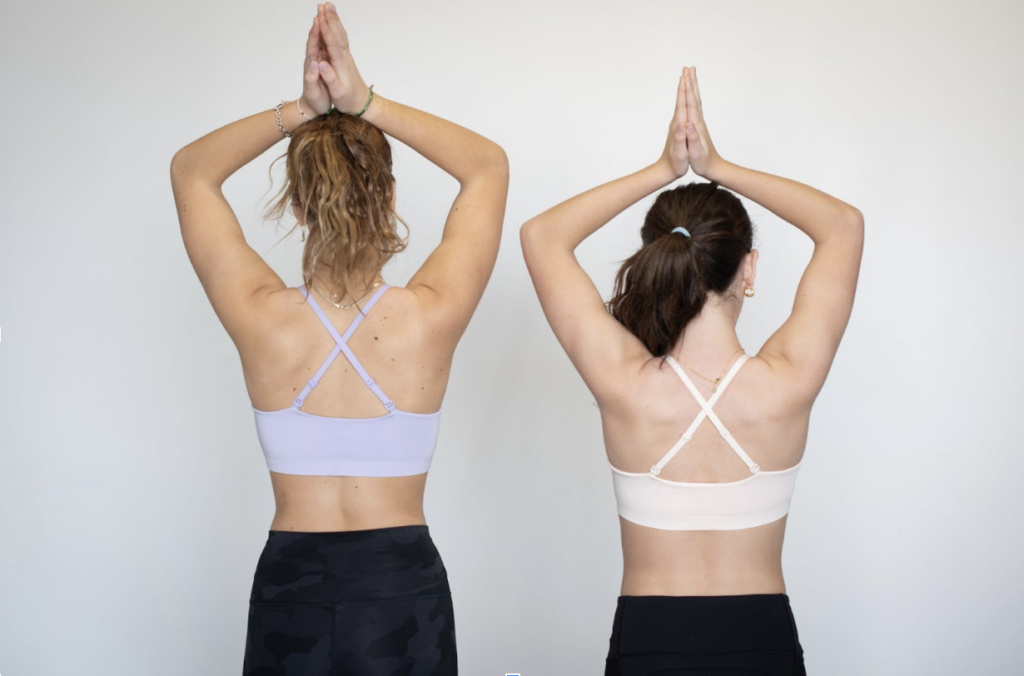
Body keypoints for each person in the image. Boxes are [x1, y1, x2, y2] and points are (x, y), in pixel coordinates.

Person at [170, 3, 508, 673]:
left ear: (296, 204)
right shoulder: (430, 315)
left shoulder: (260, 318)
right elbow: (487, 167)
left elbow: (191, 171)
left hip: (289, 590)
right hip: (403, 591)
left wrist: (302, 108)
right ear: (387, 197)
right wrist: (365, 101)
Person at [521, 66, 863, 675]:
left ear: (660, 258)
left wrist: (664, 169)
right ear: (748, 269)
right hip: (761, 641)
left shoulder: (623, 385)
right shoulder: (787, 383)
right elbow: (843, 226)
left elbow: (542, 235)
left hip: (652, 641)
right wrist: (717, 165)